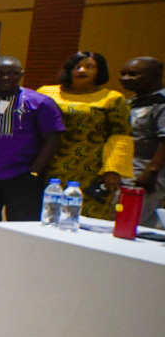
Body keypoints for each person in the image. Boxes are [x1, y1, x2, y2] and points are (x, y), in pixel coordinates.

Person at [0, 57, 63, 238]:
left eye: (11, 73)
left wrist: (35, 171)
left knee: (21, 230)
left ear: (21, 74)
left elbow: (53, 137)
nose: (5, 78)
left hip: (23, 177)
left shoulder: (40, 102)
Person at [37, 51, 134, 218]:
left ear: (100, 71)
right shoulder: (46, 93)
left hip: (91, 168)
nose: (82, 71)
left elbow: (120, 135)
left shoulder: (112, 98)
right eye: (77, 67)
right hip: (50, 164)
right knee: (48, 215)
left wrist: (113, 170)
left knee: (86, 218)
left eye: (90, 67)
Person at [119, 57, 165, 227]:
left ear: (155, 75)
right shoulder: (131, 101)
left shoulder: (161, 102)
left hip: (147, 176)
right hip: (126, 172)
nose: (125, 78)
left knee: (134, 225)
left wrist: (151, 171)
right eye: (123, 74)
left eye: (133, 74)